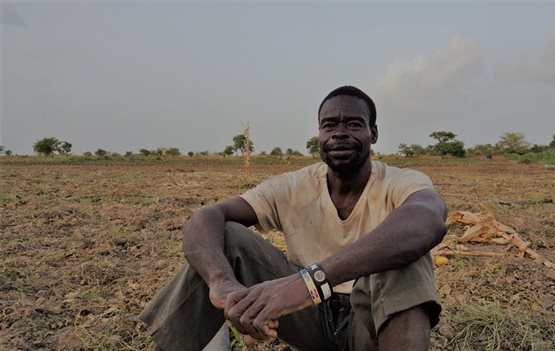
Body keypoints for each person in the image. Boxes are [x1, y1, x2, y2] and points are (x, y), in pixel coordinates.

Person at [138, 86, 448, 351]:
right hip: (308, 317)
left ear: (374, 133)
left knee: (408, 256)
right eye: (329, 125)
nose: (339, 133)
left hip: (369, 319)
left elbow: (427, 218)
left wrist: (310, 282)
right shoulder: (293, 186)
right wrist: (223, 285)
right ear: (319, 135)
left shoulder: (399, 181)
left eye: (353, 124)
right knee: (224, 237)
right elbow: (207, 217)